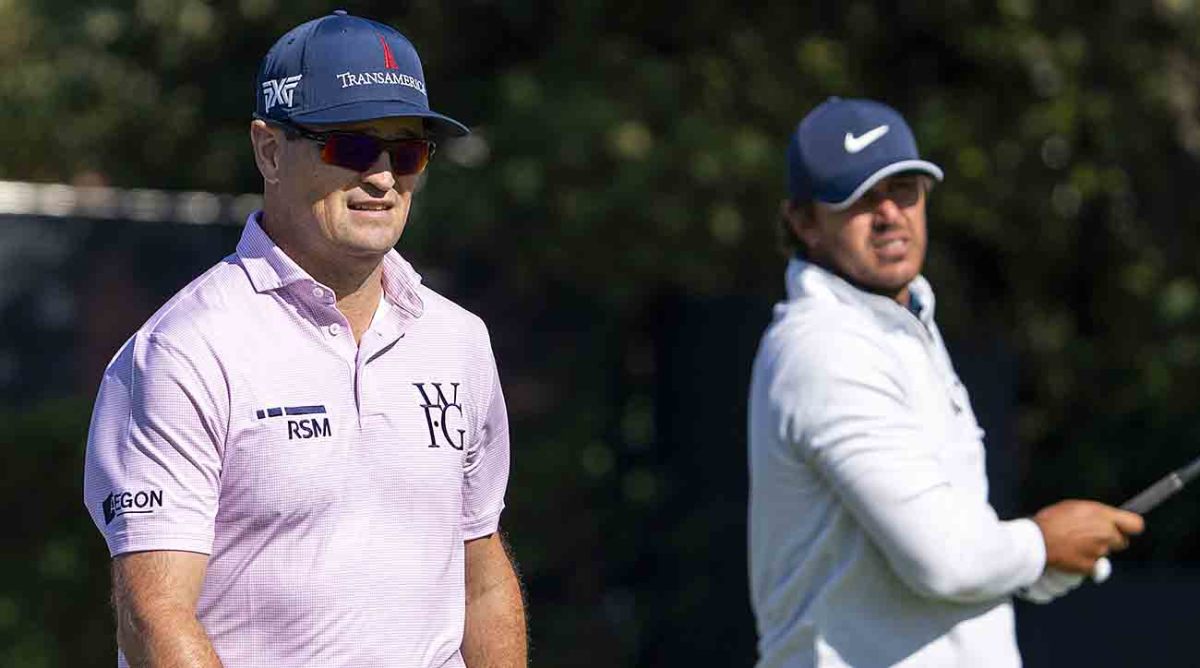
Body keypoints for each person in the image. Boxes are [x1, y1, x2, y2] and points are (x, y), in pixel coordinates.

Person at [83, 11, 525, 667]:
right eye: (350, 146)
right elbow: (154, 616)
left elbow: (482, 578)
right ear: (268, 149)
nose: (382, 177)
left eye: (406, 152)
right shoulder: (183, 350)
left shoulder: (458, 341)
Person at [746, 97, 1144, 667]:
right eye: (858, 198)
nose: (889, 214)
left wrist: (1031, 569)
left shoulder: (898, 323)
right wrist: (1039, 544)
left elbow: (949, 539)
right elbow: (943, 561)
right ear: (804, 221)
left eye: (903, 188)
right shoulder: (826, 347)